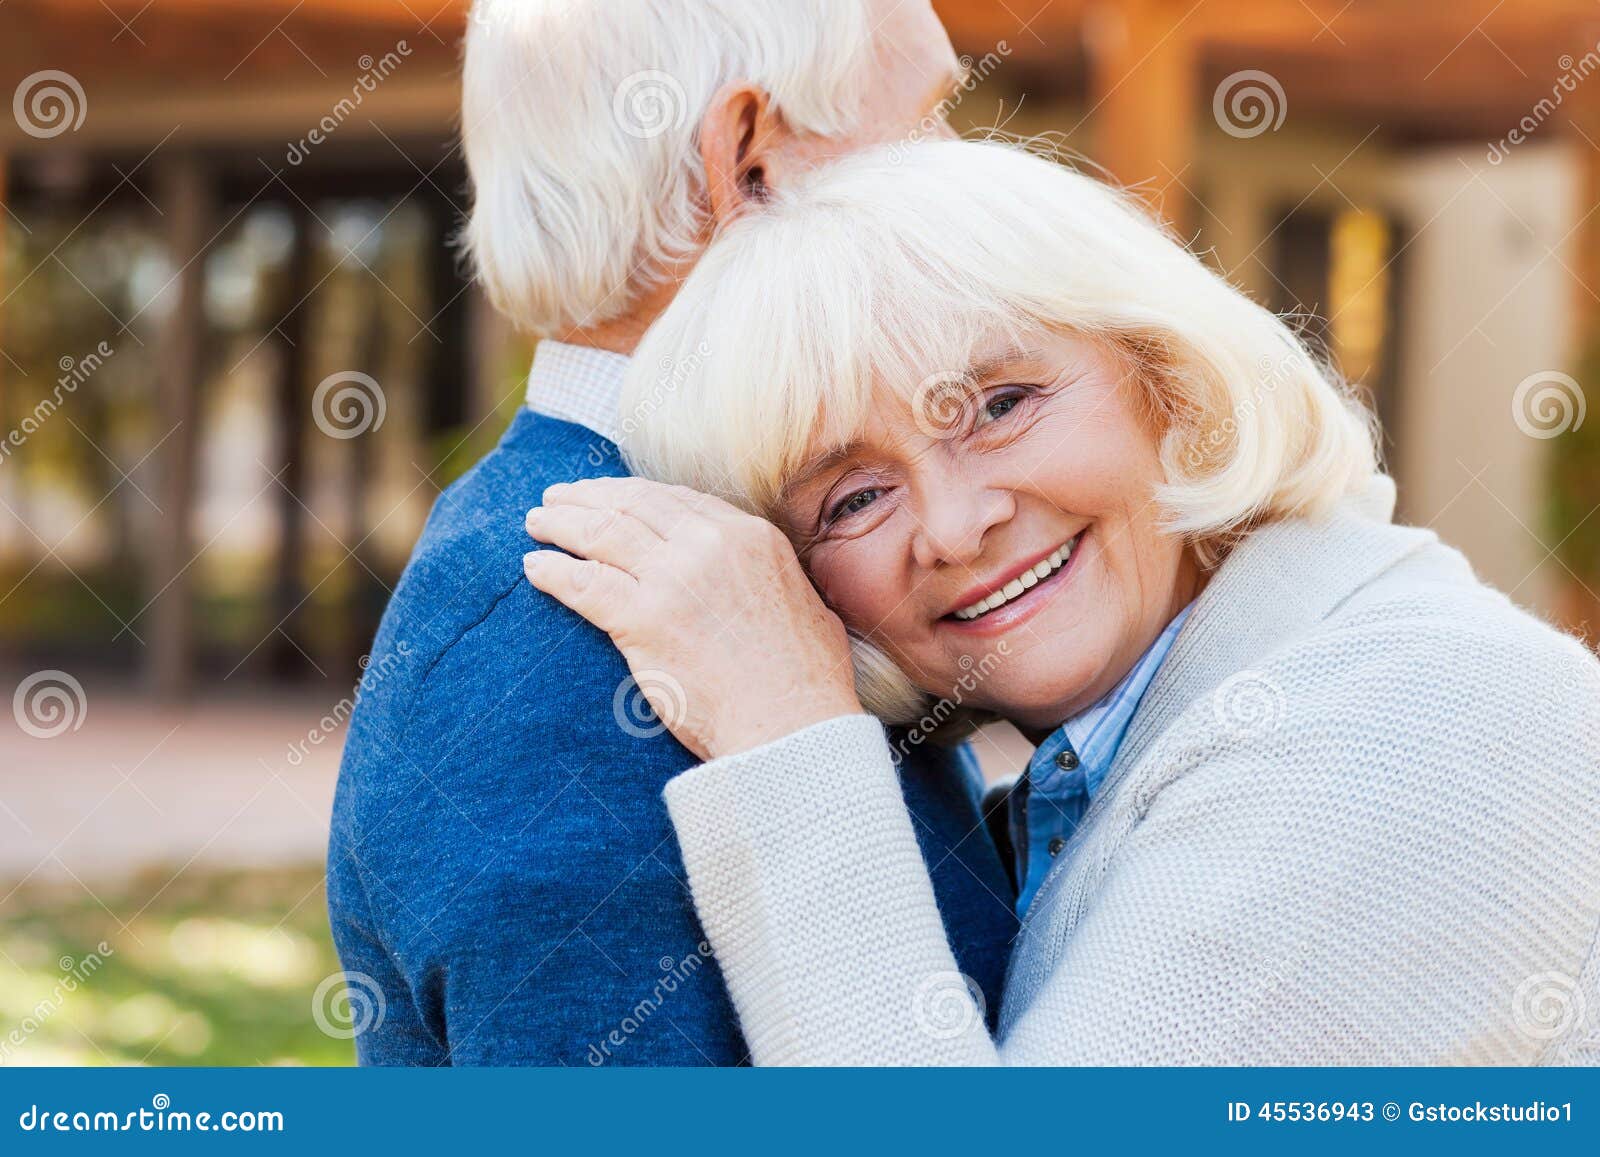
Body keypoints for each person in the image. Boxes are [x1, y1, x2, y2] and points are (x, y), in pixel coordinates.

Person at [524, 139, 1600, 1064]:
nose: (951, 524)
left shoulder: (1410, 721)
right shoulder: (1141, 748)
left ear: (1168, 378)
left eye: (1001, 404)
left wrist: (784, 729)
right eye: (853, 498)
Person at [327, 2, 1017, 1065]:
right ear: (747, 163)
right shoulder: (562, 648)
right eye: (929, 117)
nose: (963, 173)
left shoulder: (716, 542)